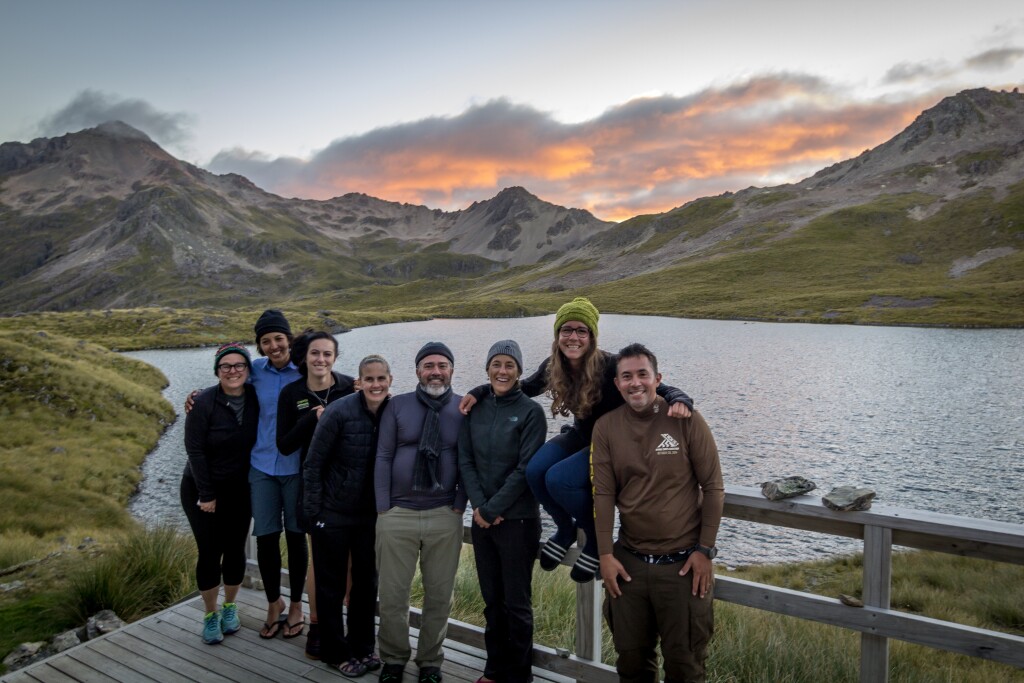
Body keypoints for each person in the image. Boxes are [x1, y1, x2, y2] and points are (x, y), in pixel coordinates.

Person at [460, 297, 693, 582]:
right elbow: (523, 387)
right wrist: (483, 390)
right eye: (566, 330)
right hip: (582, 435)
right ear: (558, 334)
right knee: (535, 471)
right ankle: (565, 528)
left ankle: (596, 540)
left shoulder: (610, 365)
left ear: (592, 336)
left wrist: (680, 399)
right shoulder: (553, 365)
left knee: (559, 479)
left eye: (581, 330)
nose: (573, 337)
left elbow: (656, 385)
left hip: (614, 443)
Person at [593, 343, 724, 683]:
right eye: (626, 377)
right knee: (632, 664)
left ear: (657, 379)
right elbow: (604, 493)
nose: (635, 383)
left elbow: (713, 487)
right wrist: (605, 554)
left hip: (683, 569)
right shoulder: (605, 428)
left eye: (642, 375)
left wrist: (705, 550)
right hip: (629, 567)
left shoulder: (685, 419)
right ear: (617, 383)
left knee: (685, 666)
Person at [375, 342, 467, 683]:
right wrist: (383, 508)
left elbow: (468, 460)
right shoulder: (396, 406)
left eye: (442, 365)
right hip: (397, 514)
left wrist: (460, 504)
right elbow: (383, 456)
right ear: (417, 371)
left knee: (439, 594)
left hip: (444, 513)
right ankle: (394, 659)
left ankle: (430, 661)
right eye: (428, 365)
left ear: (452, 370)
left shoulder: (463, 408)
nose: (435, 371)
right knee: (393, 595)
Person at [458, 340, 546, 683]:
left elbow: (526, 469)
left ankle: (519, 675)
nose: (502, 371)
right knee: (492, 602)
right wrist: (481, 507)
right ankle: (494, 670)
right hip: (483, 520)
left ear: (520, 371)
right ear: (487, 369)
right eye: (496, 364)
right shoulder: (475, 408)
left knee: (517, 605)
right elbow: (465, 459)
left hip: (518, 521)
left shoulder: (530, 412)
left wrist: (493, 507)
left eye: (510, 365)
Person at [304, 354, 393, 677]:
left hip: (370, 516)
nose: (375, 384)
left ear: (390, 380)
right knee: (331, 585)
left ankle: (363, 648)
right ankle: (334, 651)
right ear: (359, 382)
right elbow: (313, 465)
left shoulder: (392, 412)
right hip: (333, 513)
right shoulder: (339, 412)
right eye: (369, 379)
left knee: (366, 585)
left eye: (381, 378)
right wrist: (314, 515)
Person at [277, 330, 355, 659]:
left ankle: (347, 627)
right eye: (314, 353)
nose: (320, 359)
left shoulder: (350, 386)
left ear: (335, 358)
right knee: (319, 562)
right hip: (314, 487)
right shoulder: (291, 393)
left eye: (327, 354)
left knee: (351, 562)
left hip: (351, 485)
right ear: (304, 357)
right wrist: (312, 417)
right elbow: (285, 444)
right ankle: (318, 625)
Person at [181, 342, 259, 644]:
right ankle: (210, 614)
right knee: (210, 552)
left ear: (247, 370)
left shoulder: (255, 398)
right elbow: (195, 450)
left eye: (239, 365)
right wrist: (207, 494)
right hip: (202, 490)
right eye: (226, 366)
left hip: (240, 489)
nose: (233, 371)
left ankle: (230, 607)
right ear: (217, 371)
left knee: (235, 550)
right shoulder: (203, 403)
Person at [247, 309, 308, 639]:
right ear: (260, 345)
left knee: (297, 537)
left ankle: (297, 604)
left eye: (278, 338)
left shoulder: (306, 368)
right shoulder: (255, 371)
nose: (273, 346)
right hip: (262, 466)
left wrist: (357, 385)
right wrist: (196, 397)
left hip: (296, 467)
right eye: (266, 341)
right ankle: (274, 603)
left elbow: (333, 383)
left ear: (289, 338)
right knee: (267, 537)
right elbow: (225, 382)